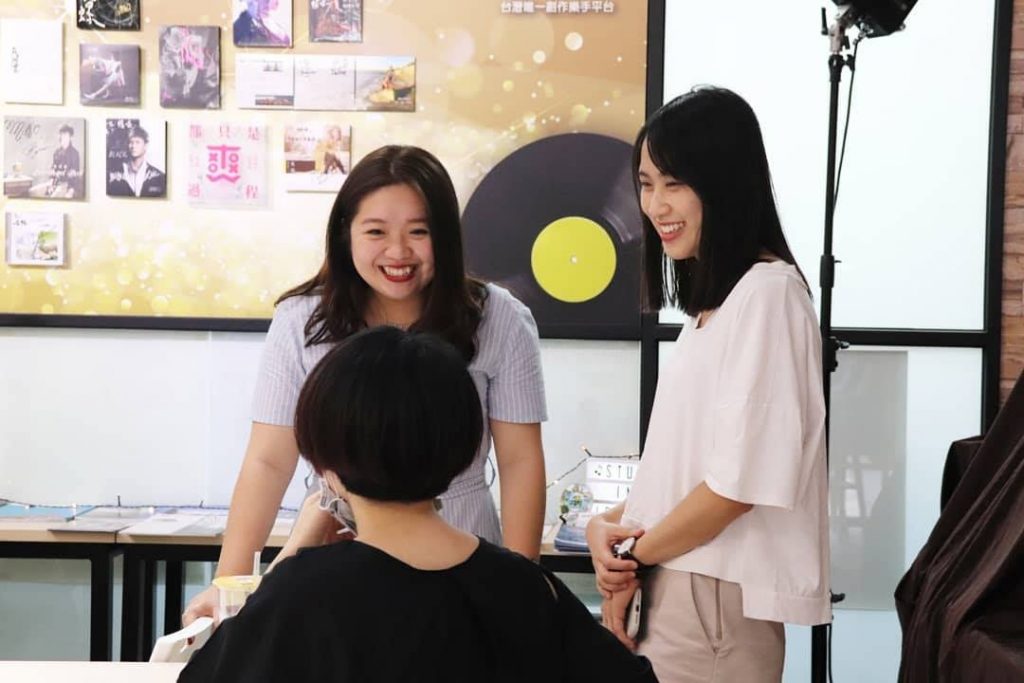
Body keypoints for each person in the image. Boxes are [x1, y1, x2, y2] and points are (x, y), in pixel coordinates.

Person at [182, 145, 548, 625]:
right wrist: (228, 588)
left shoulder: (499, 318)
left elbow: (521, 462)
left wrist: (518, 586)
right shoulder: (300, 321)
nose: (398, 253)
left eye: (420, 232)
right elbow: (268, 460)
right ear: (344, 234)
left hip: (459, 550)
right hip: (335, 549)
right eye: (376, 232)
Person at [178, 327, 656, 682]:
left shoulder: (302, 593)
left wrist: (291, 556)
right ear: (465, 446)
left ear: (325, 460)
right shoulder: (525, 585)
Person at [585, 86, 831, 683]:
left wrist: (630, 553)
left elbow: (735, 487)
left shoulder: (769, 296)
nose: (656, 205)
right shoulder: (714, 308)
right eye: (646, 183)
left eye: (675, 183)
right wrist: (605, 526)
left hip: (712, 599)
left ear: (724, 183)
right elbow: (688, 474)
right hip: (683, 582)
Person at [107, 126, 166, 198]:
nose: (133, 146)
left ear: (146, 145)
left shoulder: (158, 176)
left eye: (137, 142)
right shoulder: (113, 175)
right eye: (130, 142)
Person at [47, 124, 82, 198]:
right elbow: (53, 170)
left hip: (69, 185)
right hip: (56, 183)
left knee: (55, 196)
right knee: (34, 192)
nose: (63, 137)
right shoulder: (56, 152)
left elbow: (75, 174)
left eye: (65, 134)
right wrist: (51, 182)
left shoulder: (75, 153)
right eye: (61, 134)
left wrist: (70, 189)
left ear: (70, 137)